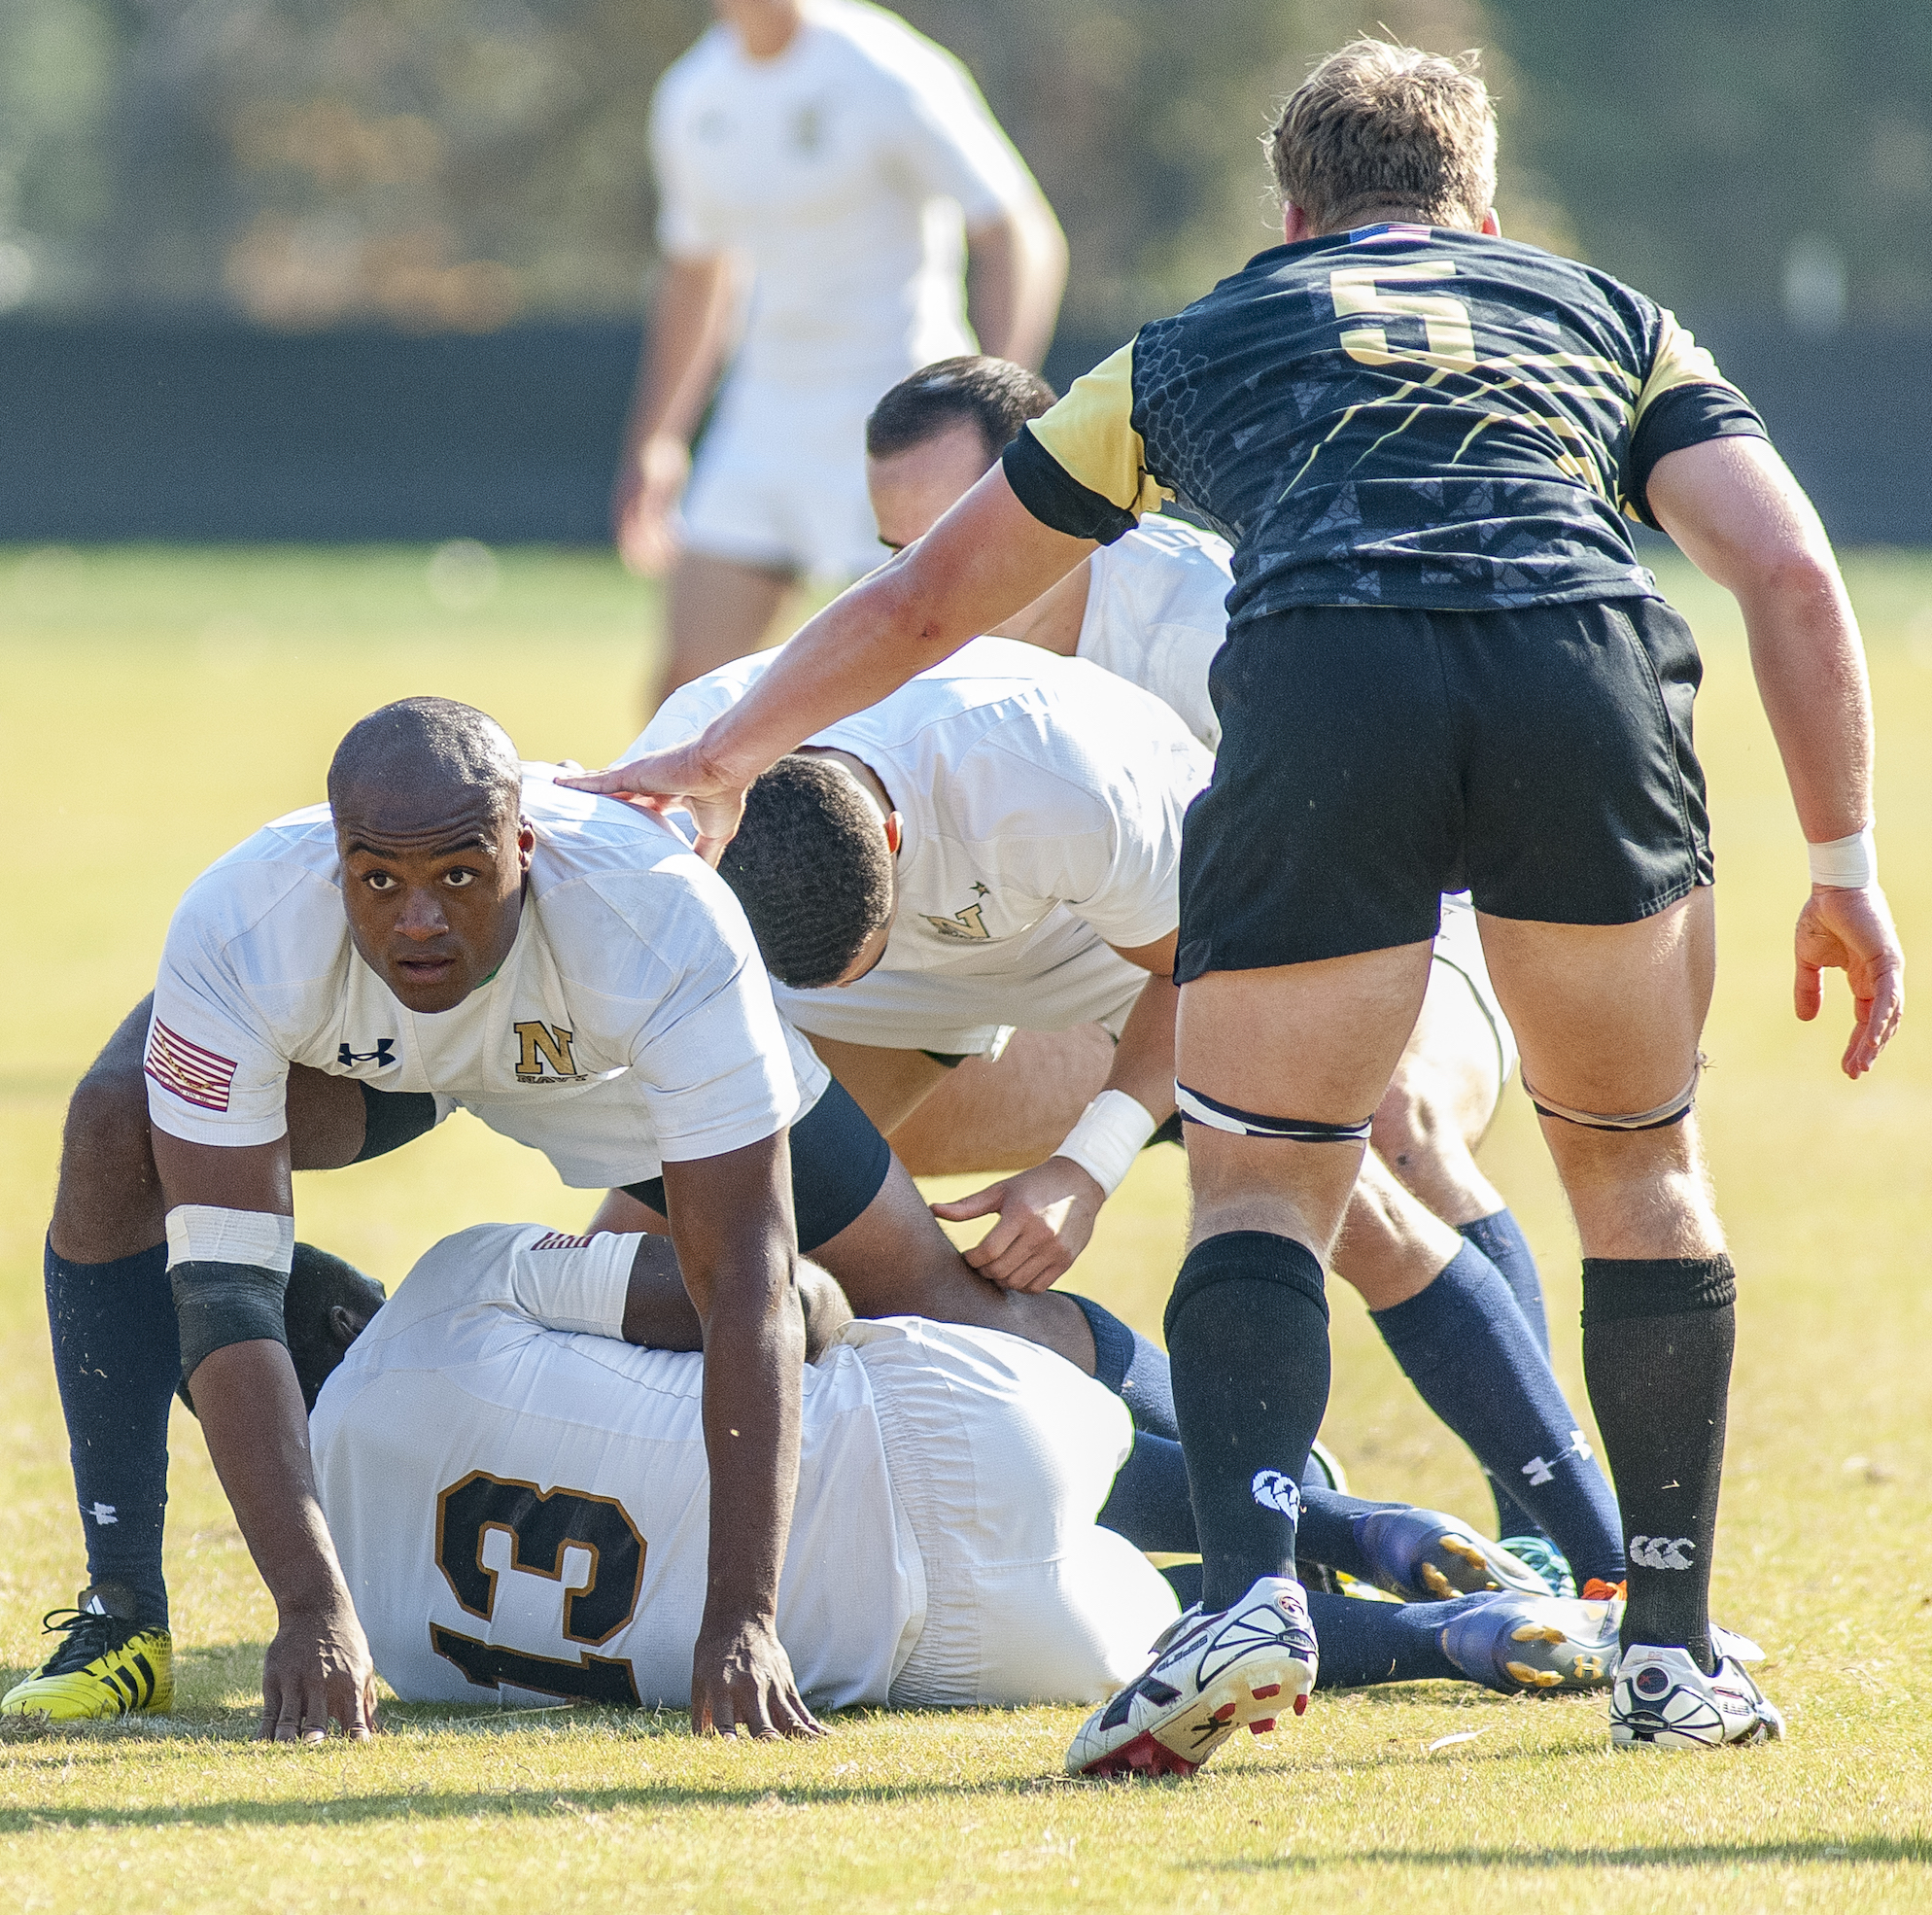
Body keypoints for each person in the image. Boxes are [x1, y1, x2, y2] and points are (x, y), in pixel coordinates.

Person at [564, 38, 1903, 1766]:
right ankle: (1668, 1648)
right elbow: (1785, 567)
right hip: (1577, 662)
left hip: (1330, 677)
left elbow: (920, 605)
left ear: (1290, 212)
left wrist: (724, 749)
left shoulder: (1195, 343)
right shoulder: (1610, 314)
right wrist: (1847, 869)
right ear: (1481, 205)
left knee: (1263, 1173)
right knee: (1643, 1176)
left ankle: (1254, 1590)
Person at [12, 696, 1101, 1738]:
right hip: (385, 1055)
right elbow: (225, 1290)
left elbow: (744, 1285)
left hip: (612, 1061)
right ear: (333, 862)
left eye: (460, 874)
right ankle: (123, 1611)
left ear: (525, 847)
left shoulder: (658, 917)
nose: (420, 914)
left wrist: (743, 1619)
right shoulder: (243, 922)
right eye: (378, 878)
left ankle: (1255, 1500)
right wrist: (309, 1606)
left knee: (938, 1304)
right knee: (116, 1126)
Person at [615, 629, 1626, 1599]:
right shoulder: (686, 769)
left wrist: (1085, 1164)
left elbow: (1202, 967)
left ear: (891, 834)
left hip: (1121, 940)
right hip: (861, 984)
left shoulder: (1048, 769)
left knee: (1341, 1198)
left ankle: (1599, 1563)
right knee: (668, 1261)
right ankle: (1288, 1496)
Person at [857, 355, 1599, 1571]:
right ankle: (1239, 1470)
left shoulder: (1211, 616)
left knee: (1383, 1122)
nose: (924, 576)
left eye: (951, 531)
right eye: (893, 547)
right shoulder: (900, 628)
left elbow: (1360, 858)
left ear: (1059, 498)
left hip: (1379, 918)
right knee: (845, 1166)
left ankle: (1554, 1533)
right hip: (1115, 976)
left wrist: (1095, 1146)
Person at [292, 1230, 1630, 1719]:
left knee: (1171, 1634)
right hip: (948, 1428)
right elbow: (751, 1300)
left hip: (912, 1651)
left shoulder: (380, 1641)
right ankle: (1350, 1518)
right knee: (933, 1417)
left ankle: (1436, 1634)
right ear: (345, 1312)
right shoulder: (440, 1287)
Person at [617, 0, 1066, 705]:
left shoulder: (887, 69)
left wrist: (994, 410)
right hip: (763, 417)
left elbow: (1017, 230)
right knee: (686, 693)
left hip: (900, 419)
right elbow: (698, 270)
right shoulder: (692, 93)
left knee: (905, 693)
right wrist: (659, 439)